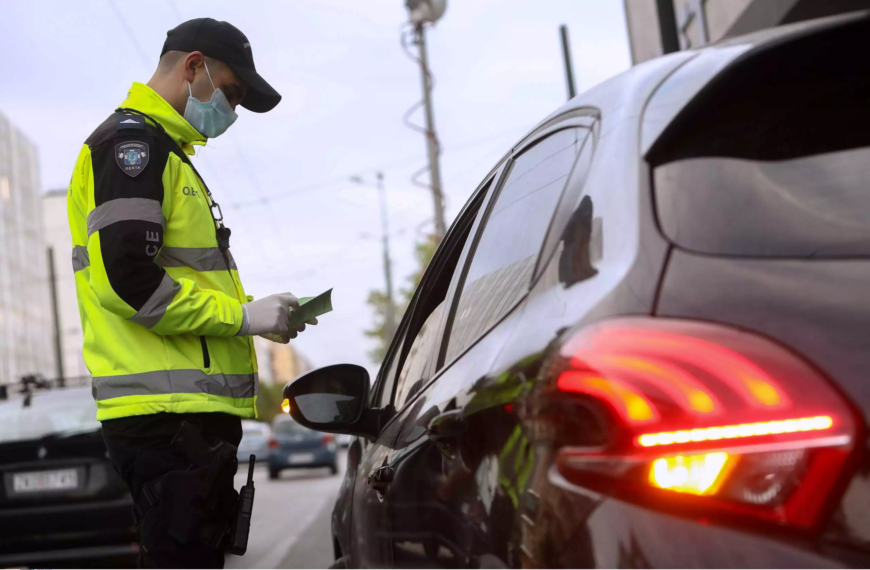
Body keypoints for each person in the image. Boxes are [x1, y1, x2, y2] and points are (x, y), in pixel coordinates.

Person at [67, 18, 314, 568]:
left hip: (180, 419)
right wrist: (243, 318)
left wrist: (253, 317)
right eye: (230, 93)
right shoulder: (132, 148)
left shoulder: (166, 153)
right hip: (166, 421)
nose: (230, 110)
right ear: (193, 66)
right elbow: (127, 282)